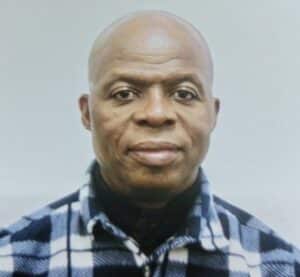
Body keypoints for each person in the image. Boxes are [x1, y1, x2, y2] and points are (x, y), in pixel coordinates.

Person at [0, 10, 299, 276]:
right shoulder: (12, 259)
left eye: (184, 93)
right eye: (124, 94)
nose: (156, 114)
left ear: (212, 114)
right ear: (87, 113)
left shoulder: (277, 265)